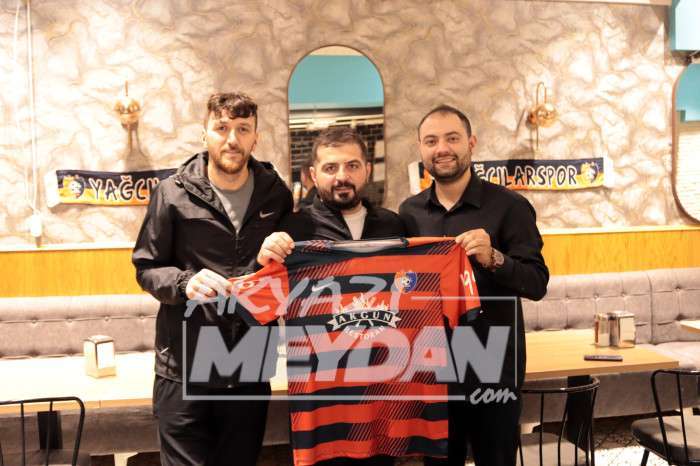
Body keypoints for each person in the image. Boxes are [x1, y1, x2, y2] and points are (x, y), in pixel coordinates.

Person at [132, 92, 293, 466]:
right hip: (184, 366)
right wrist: (184, 283)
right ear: (204, 134)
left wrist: (277, 255)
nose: (232, 139)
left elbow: (289, 273)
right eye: (221, 128)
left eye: (243, 129)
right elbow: (146, 268)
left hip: (250, 363)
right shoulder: (172, 193)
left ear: (256, 137)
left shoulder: (276, 194)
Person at [399, 105, 549, 466]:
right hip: (432, 369)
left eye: (452, 138)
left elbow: (537, 283)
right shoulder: (408, 213)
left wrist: (494, 257)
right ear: (420, 149)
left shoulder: (511, 207)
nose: (442, 148)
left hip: (493, 365)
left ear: (471, 143)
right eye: (431, 141)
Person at [257, 126, 405, 466]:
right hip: (319, 390)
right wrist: (264, 258)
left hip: (383, 383)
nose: (342, 176)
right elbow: (263, 299)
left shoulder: (395, 227)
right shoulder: (292, 230)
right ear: (313, 175)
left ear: (367, 169)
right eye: (330, 167)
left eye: (352, 165)